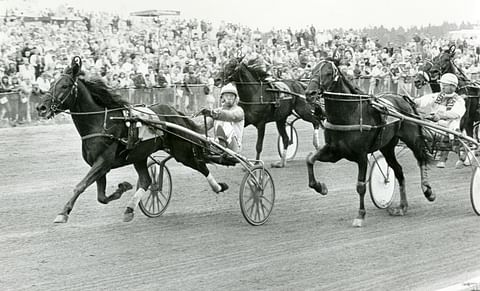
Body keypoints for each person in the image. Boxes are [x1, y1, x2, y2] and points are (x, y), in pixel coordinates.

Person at [414, 73, 466, 168]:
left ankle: (459, 154)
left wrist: (440, 116)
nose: (442, 87)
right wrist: (414, 101)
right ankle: (427, 154)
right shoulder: (439, 96)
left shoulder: (459, 100)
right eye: (442, 84)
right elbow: (425, 100)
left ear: (452, 86)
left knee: (452, 131)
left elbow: (456, 114)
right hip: (435, 124)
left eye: (444, 85)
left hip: (449, 125)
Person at [200, 83, 244, 154]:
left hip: (234, 146)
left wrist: (214, 114)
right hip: (218, 144)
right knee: (201, 137)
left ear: (236, 98)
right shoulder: (217, 111)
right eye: (227, 96)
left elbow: (231, 116)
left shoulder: (239, 110)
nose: (229, 98)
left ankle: (221, 144)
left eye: (232, 96)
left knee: (223, 122)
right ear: (222, 98)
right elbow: (204, 127)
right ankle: (219, 144)